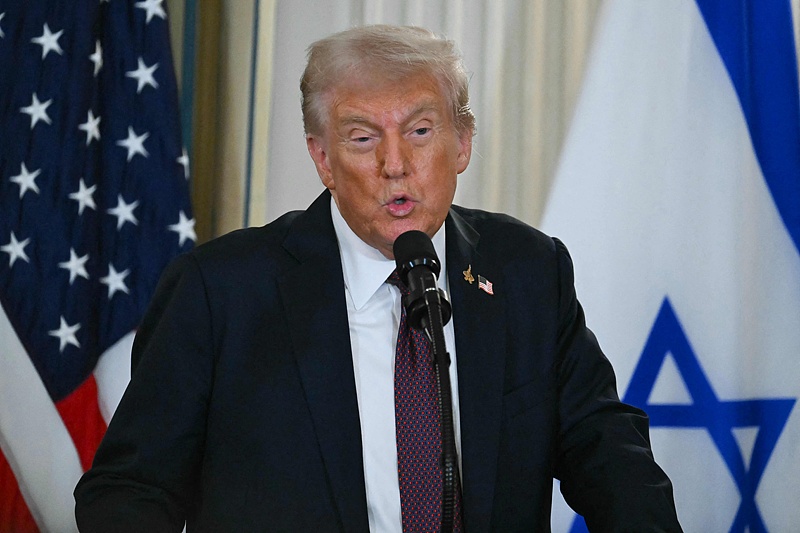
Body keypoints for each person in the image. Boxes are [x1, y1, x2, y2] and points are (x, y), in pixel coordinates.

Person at [74, 25, 681, 532]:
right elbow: (130, 490)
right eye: (363, 138)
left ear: (462, 143)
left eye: (420, 131)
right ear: (322, 158)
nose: (396, 165)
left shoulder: (526, 270)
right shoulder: (220, 291)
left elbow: (604, 449)